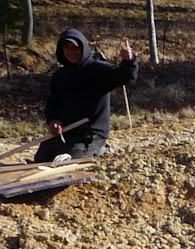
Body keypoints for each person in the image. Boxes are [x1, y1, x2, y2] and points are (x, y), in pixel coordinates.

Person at [33, 30, 137, 164]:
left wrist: (129, 61)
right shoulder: (60, 75)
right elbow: (53, 103)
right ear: (62, 50)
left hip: (91, 134)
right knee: (41, 159)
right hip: (67, 132)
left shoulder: (98, 69)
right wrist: (53, 120)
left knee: (69, 160)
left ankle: (100, 150)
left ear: (83, 48)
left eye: (76, 48)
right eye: (68, 48)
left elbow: (126, 76)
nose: (72, 52)